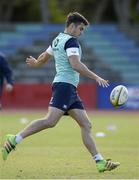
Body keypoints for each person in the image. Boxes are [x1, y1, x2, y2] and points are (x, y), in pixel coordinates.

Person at [2, 12, 120, 172]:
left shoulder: (58, 39)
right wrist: (96, 77)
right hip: (64, 86)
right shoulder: (71, 41)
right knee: (50, 121)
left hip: (68, 87)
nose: (81, 32)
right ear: (72, 26)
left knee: (86, 124)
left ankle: (99, 161)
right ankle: (15, 139)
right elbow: (75, 65)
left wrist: (36, 63)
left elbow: (44, 57)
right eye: (81, 28)